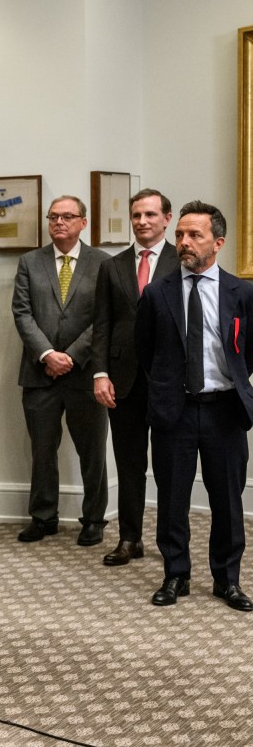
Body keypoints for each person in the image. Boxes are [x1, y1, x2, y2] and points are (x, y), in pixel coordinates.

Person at [136, 201, 253, 611]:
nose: (183, 242)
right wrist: (167, 391)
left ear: (217, 242)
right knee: (172, 498)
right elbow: (145, 353)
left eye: (195, 235)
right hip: (175, 411)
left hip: (225, 411)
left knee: (227, 499)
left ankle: (227, 580)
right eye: (180, 234)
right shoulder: (156, 293)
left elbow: (248, 352)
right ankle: (176, 575)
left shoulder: (243, 293)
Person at [11, 195, 108, 546]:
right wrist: (48, 354)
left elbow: (104, 318)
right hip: (40, 374)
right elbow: (22, 313)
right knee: (42, 450)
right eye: (53, 217)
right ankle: (43, 516)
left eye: (68, 217)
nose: (59, 223)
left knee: (93, 451)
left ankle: (94, 519)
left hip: (86, 376)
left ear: (84, 222)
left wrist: (71, 356)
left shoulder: (103, 263)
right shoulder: (29, 262)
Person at [90, 189, 175, 568]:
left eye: (150, 214)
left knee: (172, 465)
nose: (142, 221)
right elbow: (102, 324)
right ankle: (129, 538)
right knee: (128, 464)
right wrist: (100, 372)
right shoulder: (112, 266)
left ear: (166, 219)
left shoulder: (181, 260)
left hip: (168, 381)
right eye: (136, 215)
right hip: (122, 380)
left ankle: (172, 544)